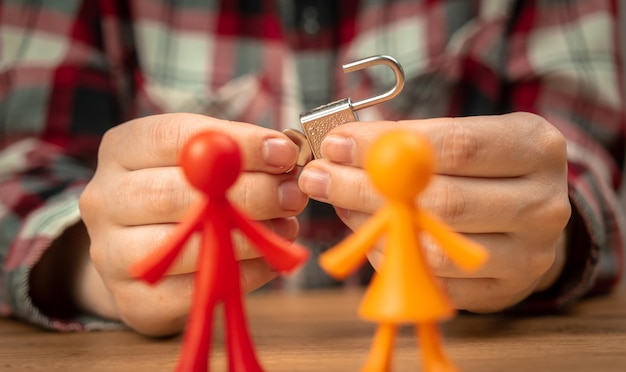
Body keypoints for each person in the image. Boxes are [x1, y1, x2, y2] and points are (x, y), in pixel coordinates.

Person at [0, 0, 623, 336]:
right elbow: (17, 172)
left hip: (444, 331)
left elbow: (585, 153)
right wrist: (94, 263)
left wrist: (546, 230)